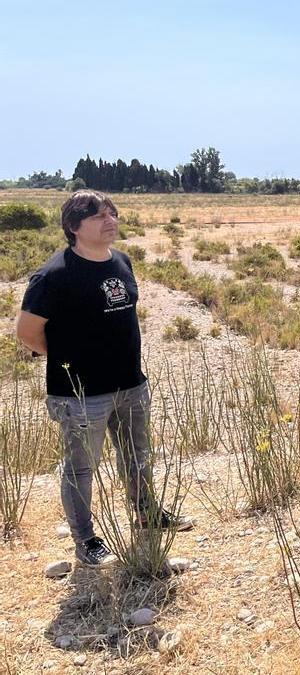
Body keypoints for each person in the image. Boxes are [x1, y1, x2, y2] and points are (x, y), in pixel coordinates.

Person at [15, 190, 194, 568]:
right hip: (80, 394)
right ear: (73, 226)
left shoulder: (121, 261)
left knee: (137, 456)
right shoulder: (53, 275)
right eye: (98, 216)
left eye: (112, 213)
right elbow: (27, 332)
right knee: (81, 468)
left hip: (131, 383)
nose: (109, 220)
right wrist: (67, 356)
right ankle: (86, 540)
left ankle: (146, 513)